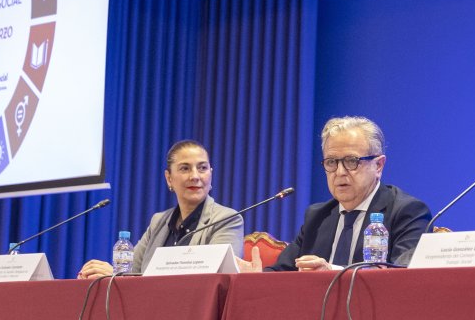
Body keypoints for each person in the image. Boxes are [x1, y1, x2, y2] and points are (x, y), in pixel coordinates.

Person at [241, 116, 432, 271]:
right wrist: (257, 277)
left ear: (378, 165)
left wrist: (331, 272)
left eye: (351, 161)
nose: (340, 172)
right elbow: (283, 272)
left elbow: (403, 275)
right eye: (331, 162)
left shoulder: (407, 212)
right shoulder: (318, 216)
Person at [77, 140, 242, 277]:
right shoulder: (159, 221)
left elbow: (216, 280)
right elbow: (132, 272)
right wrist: (108, 274)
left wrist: (117, 275)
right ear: (169, 178)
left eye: (202, 168)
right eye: (185, 168)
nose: (195, 176)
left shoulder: (226, 219)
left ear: (211, 174)